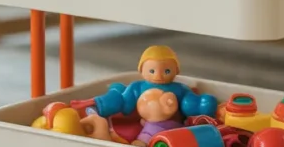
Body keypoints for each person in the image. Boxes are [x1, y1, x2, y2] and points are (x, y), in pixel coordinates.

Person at [90, 45, 218, 120]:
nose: (159, 76)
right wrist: (109, 104)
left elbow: (188, 99)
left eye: (166, 71)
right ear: (141, 70)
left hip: (171, 125)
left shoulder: (179, 89)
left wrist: (201, 104)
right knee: (120, 98)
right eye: (152, 71)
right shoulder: (137, 86)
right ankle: (101, 103)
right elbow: (125, 102)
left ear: (176, 70)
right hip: (143, 121)